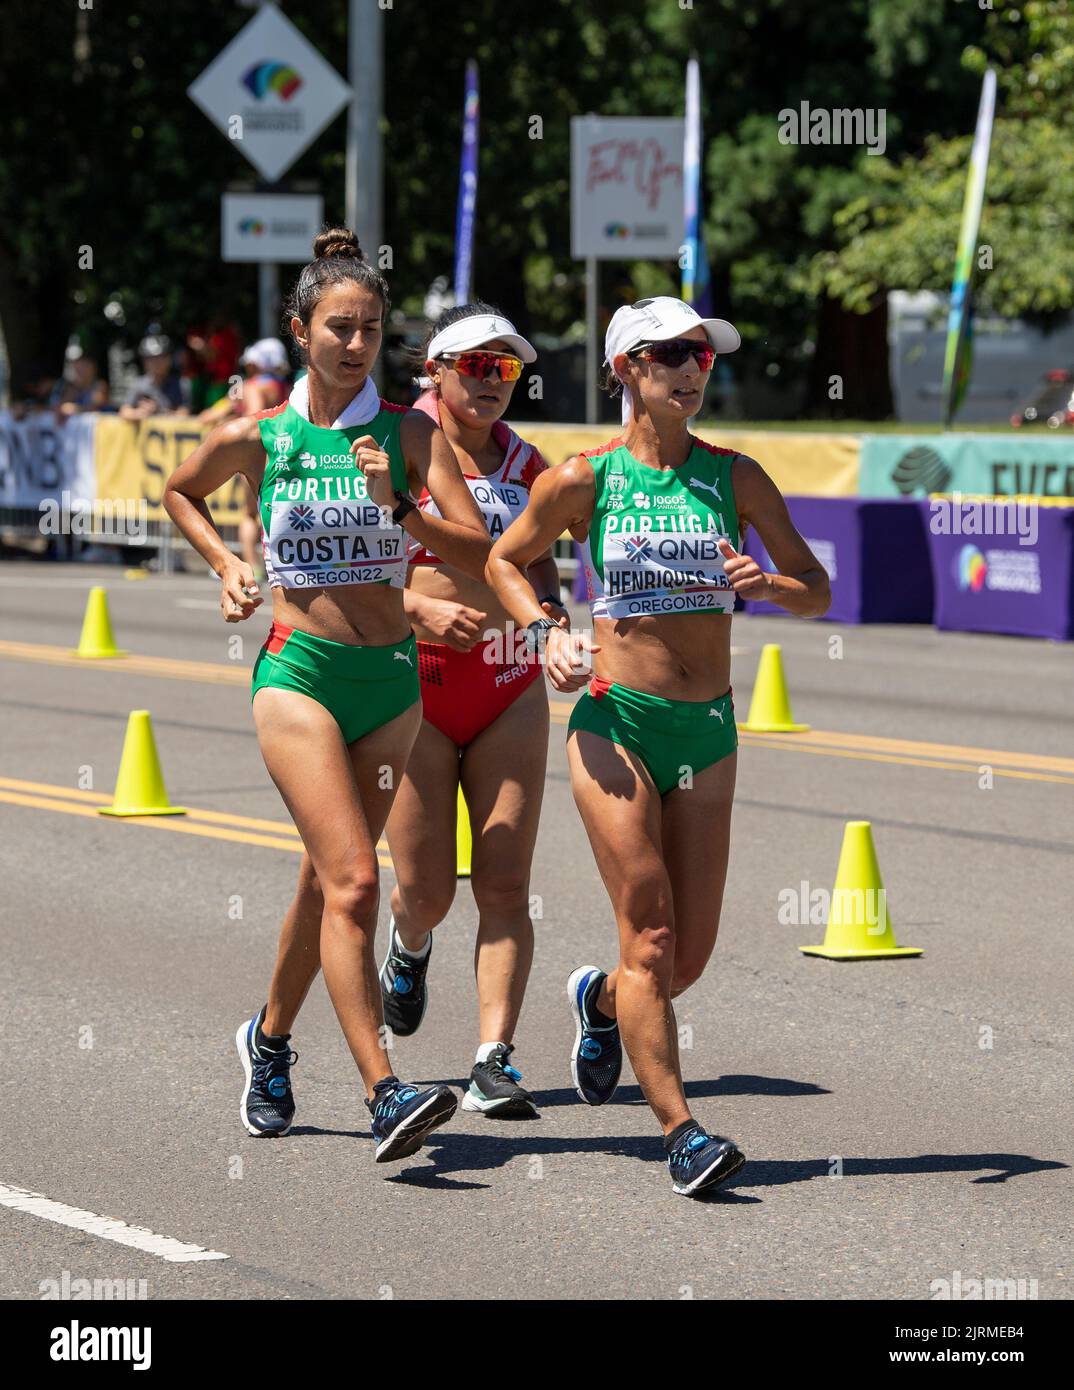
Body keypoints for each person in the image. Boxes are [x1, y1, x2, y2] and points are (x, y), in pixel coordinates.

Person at [486, 296, 831, 1197]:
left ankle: (599, 1005)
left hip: (707, 730)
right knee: (652, 934)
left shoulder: (735, 475)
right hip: (616, 722)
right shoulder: (582, 479)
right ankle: (681, 1133)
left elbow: (817, 589)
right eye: (669, 354)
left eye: (701, 355)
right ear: (625, 371)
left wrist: (770, 582)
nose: (691, 368)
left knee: (685, 961)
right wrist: (546, 626)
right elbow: (504, 559)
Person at [163, 228, 491, 1165]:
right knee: (355, 880)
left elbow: (479, 553)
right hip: (298, 676)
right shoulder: (265, 436)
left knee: (324, 882)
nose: (356, 343)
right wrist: (229, 562)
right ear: (301, 331)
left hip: (389, 687)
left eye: (372, 329)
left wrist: (403, 510)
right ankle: (384, 1090)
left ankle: (267, 1041)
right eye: (339, 327)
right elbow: (181, 491)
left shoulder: (412, 431)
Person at [381, 304, 563, 1117]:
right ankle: (410, 945)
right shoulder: (391, 447)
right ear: (436, 371)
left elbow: (543, 572)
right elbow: (344, 574)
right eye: (477, 368)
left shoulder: (530, 466)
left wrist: (556, 632)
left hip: (507, 684)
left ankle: (494, 1059)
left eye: (508, 370)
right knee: (427, 891)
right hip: (414, 688)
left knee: (505, 880)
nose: (493, 383)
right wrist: (417, 611)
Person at [120, 333, 188, 421]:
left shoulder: (182, 384)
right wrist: (139, 413)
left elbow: (184, 414)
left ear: (169, 359)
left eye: (161, 357)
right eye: (151, 359)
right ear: (144, 362)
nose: (157, 363)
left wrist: (159, 412)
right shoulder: (138, 385)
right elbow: (124, 411)